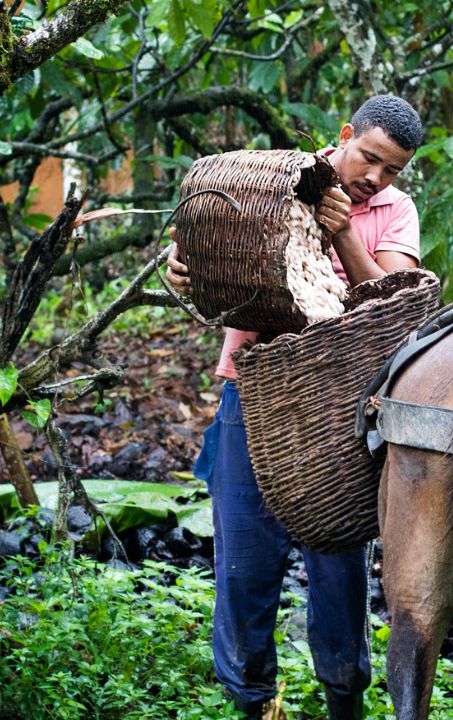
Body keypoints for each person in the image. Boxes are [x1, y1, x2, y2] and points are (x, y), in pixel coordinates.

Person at [167, 95, 424, 720]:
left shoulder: (395, 212)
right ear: (344, 136)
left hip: (340, 406)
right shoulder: (278, 180)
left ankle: (345, 701)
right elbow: (207, 256)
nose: (375, 178)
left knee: (337, 566)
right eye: (369, 159)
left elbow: (387, 300)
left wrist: (341, 230)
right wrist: (180, 268)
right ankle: (252, 701)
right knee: (242, 567)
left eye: (392, 170)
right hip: (250, 393)